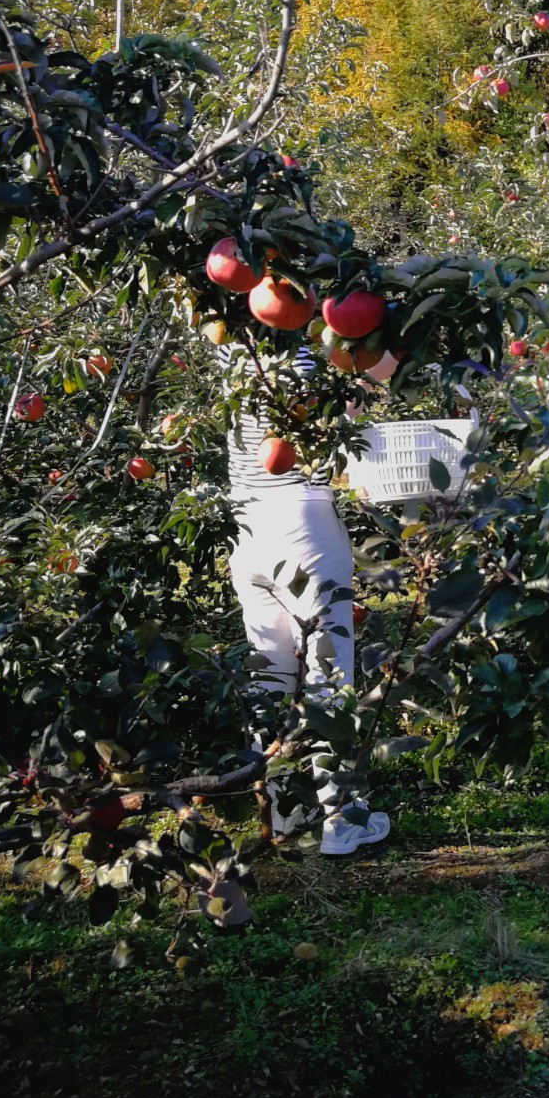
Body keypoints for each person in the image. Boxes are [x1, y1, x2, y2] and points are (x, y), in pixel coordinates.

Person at [224, 362, 391, 856]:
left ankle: (276, 809)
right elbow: (347, 405)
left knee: (267, 675)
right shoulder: (306, 335)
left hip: (242, 522)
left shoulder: (230, 338)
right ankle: (344, 817)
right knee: (328, 669)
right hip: (301, 517)